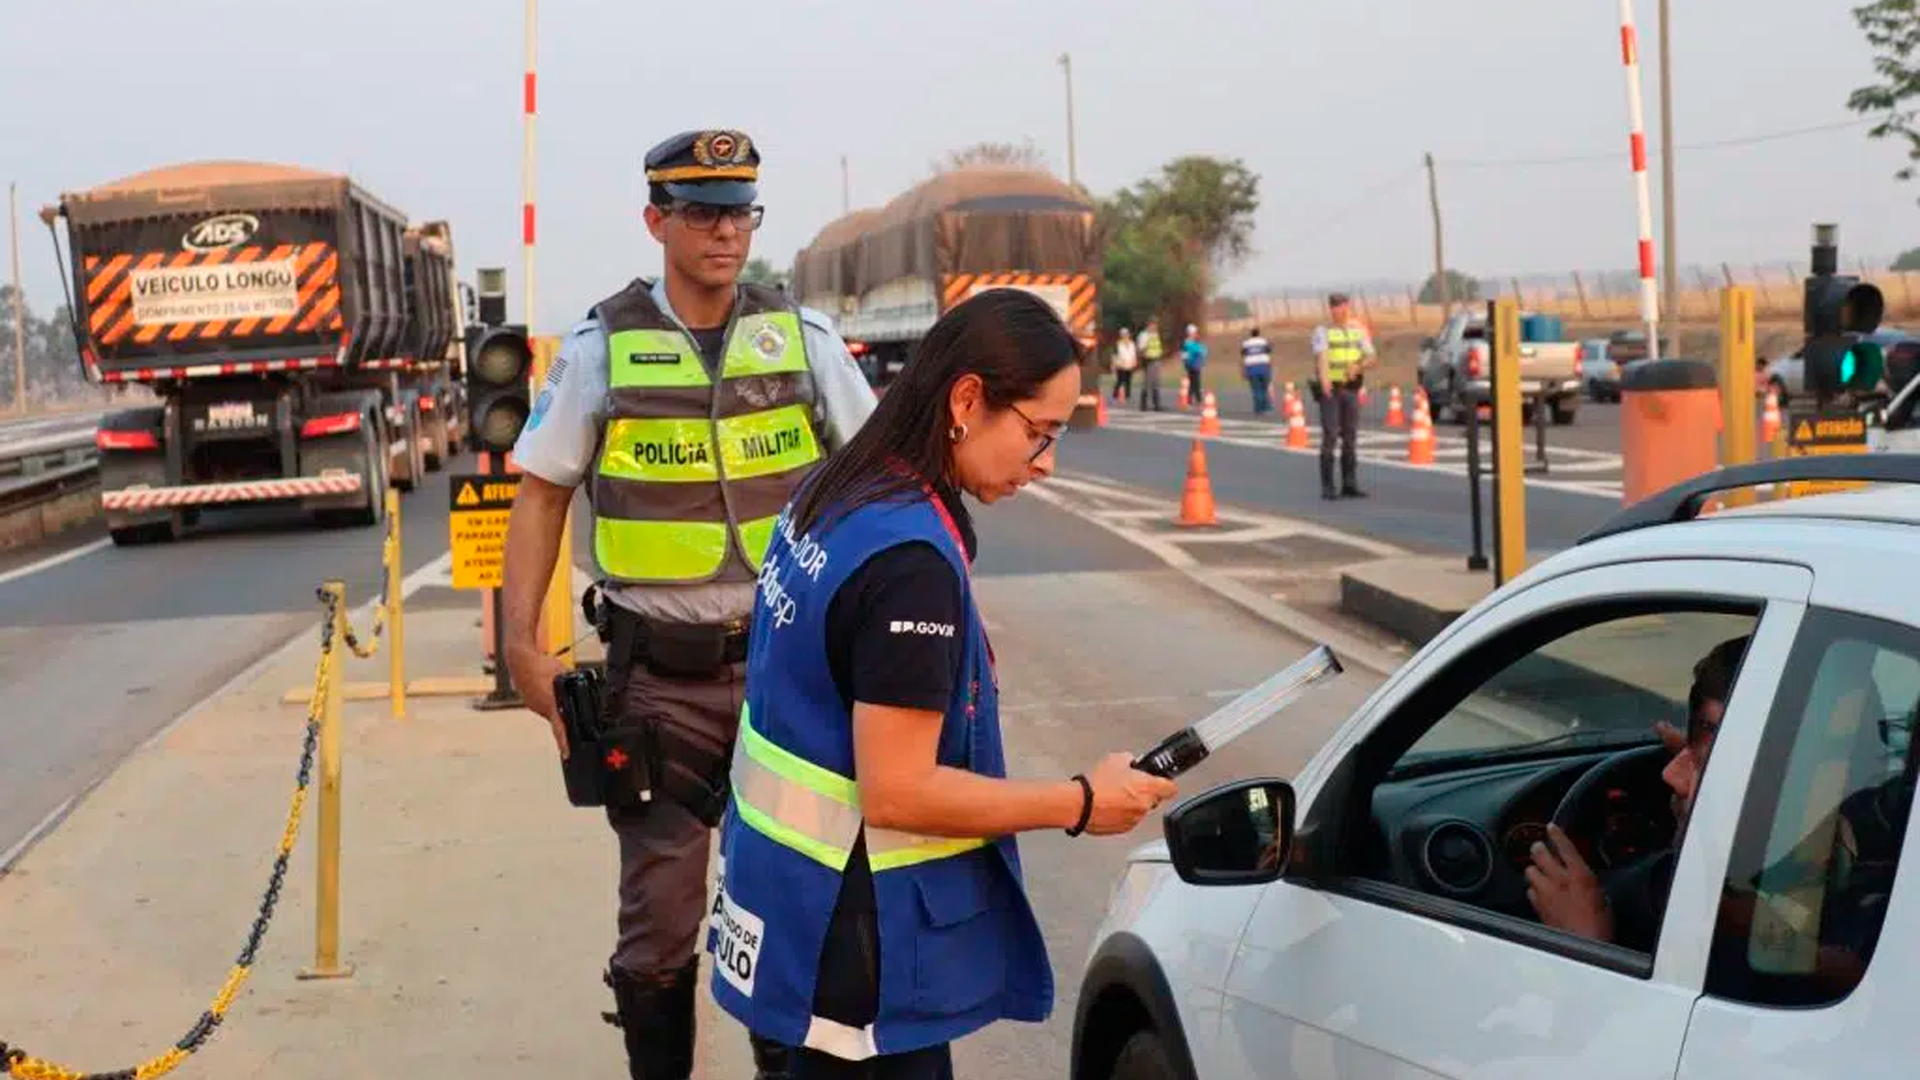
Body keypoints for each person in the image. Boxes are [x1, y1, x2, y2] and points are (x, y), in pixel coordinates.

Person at [704, 287, 1179, 1078]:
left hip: (789, 906)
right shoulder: (909, 563)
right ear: (967, 400)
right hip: (861, 946)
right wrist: (1082, 802)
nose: (1047, 461)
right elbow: (899, 792)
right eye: (1038, 432)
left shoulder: (837, 491)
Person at [499, 127, 879, 1080]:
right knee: (661, 922)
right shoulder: (601, 349)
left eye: (739, 211)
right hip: (656, 686)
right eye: (702, 211)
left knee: (790, 906)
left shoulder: (802, 338)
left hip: (790, 675)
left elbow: (881, 480)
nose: (725, 231)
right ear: (655, 221)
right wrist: (524, 654)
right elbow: (541, 494)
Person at [1523, 634, 1750, 949]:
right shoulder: (1793, 899)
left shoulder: (1762, 954)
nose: (1671, 775)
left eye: (1727, 749)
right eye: (1704, 733)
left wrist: (1587, 943)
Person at [1309, 293, 1375, 500]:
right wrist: (1325, 379)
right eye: (1334, 307)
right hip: (1332, 389)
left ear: (1348, 306)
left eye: (1341, 306)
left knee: (1350, 435)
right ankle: (1328, 487)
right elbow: (1322, 357)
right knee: (1330, 434)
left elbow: (1372, 357)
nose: (1338, 310)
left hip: (1352, 389)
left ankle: (1349, 483)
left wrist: (1359, 365)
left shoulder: (1358, 330)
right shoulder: (1323, 331)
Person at [1241, 325, 1274, 415]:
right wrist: (1270, 367)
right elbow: (1269, 354)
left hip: (1251, 368)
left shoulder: (1245, 343)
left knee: (1256, 390)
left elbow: (1243, 357)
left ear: (1250, 334)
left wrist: (1243, 371)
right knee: (1264, 388)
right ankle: (1266, 408)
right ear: (1259, 333)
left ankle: (1258, 409)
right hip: (1264, 367)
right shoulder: (1264, 341)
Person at [1136, 319, 1166, 411]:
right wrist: (1144, 359)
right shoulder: (1144, 335)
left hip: (1156, 360)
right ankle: (1143, 405)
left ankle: (1156, 404)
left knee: (1155, 383)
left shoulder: (1155, 334)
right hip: (1148, 360)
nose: (1155, 327)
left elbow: (1157, 347)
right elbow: (1141, 349)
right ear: (1149, 325)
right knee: (1147, 383)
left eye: (1156, 325)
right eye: (1154, 325)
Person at [1180, 322, 1207, 406]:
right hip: (1193, 365)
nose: (1196, 334)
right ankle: (1198, 400)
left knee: (1193, 383)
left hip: (1194, 365)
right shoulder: (1188, 343)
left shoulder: (1192, 343)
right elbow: (1201, 351)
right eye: (1194, 333)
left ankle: (1190, 400)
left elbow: (1203, 351)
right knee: (1196, 383)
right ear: (1190, 333)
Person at [1111, 327, 1138, 404]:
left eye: (1126, 334)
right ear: (1121, 335)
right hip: (1121, 365)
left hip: (1130, 365)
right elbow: (1114, 356)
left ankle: (1127, 396)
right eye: (1123, 334)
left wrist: (1134, 361)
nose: (1125, 336)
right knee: (1120, 381)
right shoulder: (1118, 344)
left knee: (1128, 381)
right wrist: (1114, 364)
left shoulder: (1132, 344)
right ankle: (1115, 396)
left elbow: (1134, 354)